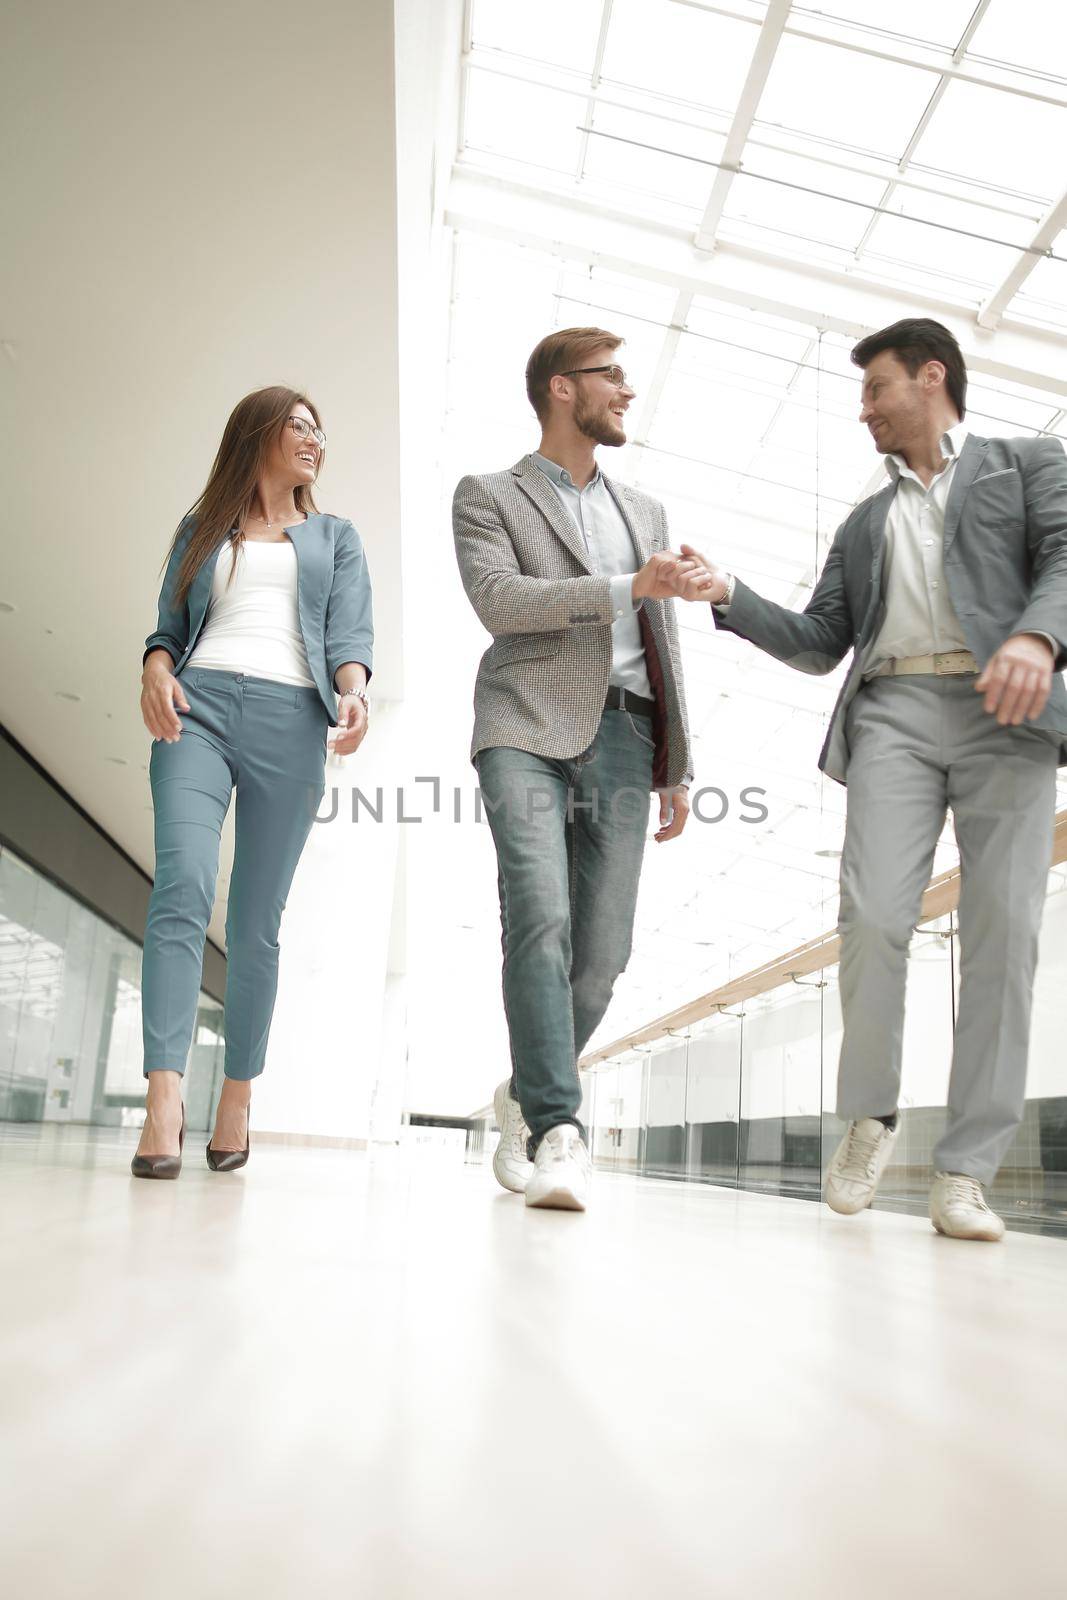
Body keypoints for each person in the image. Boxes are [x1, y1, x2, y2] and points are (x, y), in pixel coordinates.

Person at [684, 318, 1067, 1241]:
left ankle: (966, 1171)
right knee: (874, 918)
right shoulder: (864, 520)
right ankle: (869, 1118)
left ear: (930, 377)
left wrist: (1036, 636)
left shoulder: (1027, 464)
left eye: (874, 391)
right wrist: (728, 594)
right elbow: (822, 642)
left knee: (1002, 936)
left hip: (1004, 711)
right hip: (892, 712)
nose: (862, 412)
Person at [453, 326, 712, 1212]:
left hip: (629, 738)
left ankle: (525, 1089)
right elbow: (499, 602)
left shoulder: (647, 512)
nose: (626, 392)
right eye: (612, 377)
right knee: (539, 909)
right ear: (562, 389)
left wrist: (676, 760)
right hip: (524, 724)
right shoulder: (489, 494)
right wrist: (622, 587)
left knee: (601, 958)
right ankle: (560, 1127)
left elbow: (662, 632)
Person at [131, 386, 373, 1178]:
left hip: (290, 723)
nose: (313, 439)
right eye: (298, 425)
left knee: (256, 920)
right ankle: (163, 1099)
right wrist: (154, 671)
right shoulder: (201, 529)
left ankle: (237, 1093)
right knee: (182, 886)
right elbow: (167, 628)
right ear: (258, 434)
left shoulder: (335, 537)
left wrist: (354, 687)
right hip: (195, 710)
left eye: (319, 430)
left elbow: (348, 632)